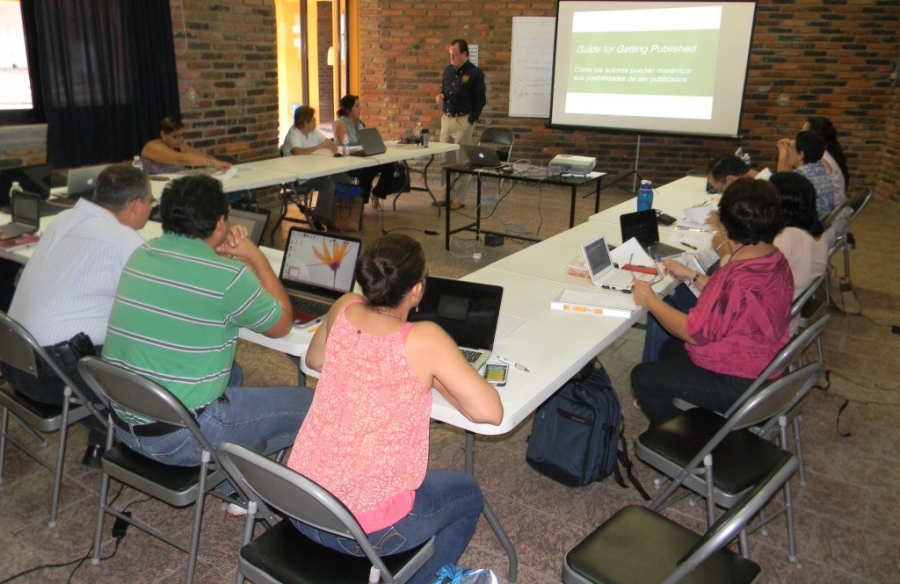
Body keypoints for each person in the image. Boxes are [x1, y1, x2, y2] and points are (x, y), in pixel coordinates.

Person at [287, 234, 503, 584]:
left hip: (301, 506)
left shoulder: (345, 307)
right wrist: (433, 378)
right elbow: (489, 412)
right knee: (467, 494)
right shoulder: (424, 337)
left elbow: (314, 359)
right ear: (416, 290)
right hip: (365, 536)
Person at [102, 175, 313, 500]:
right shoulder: (229, 278)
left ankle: (232, 467)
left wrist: (219, 259)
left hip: (123, 423)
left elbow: (188, 299)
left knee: (236, 373)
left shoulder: (141, 255)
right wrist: (254, 257)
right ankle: (238, 483)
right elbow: (282, 324)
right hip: (181, 439)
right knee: (313, 404)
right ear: (220, 223)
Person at [0, 165, 153, 467]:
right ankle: (140, 443)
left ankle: (100, 440)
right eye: (151, 201)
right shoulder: (123, 241)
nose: (150, 208)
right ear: (136, 205)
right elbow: (160, 301)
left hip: (14, 363)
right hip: (54, 379)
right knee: (150, 344)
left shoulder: (62, 219)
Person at [631, 178, 793, 428]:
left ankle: (677, 438)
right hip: (766, 366)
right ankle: (689, 411)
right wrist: (694, 277)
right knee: (669, 349)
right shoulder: (774, 258)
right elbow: (740, 302)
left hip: (740, 383)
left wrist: (650, 300)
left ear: (727, 225)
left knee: (642, 377)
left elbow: (694, 334)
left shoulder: (735, 275)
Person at [435, 39, 486, 211]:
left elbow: (480, 100)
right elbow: (444, 90)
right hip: (447, 119)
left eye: (455, 56)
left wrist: (471, 120)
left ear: (465, 54)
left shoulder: (475, 73)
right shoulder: (448, 71)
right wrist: (440, 97)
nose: (452, 59)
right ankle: (446, 196)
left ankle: (459, 199)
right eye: (450, 55)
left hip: (463, 120)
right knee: (445, 160)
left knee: (462, 162)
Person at [281, 105, 350, 224]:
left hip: (316, 171)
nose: (315, 121)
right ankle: (321, 219)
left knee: (343, 178)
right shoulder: (293, 134)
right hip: (301, 178)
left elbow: (327, 141)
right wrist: (318, 147)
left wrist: (332, 146)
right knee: (328, 184)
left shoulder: (313, 132)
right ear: (305, 121)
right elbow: (297, 152)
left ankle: (344, 215)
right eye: (313, 119)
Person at [333, 94, 398, 212]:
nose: (360, 108)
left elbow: (365, 141)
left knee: (390, 164)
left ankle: (377, 193)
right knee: (368, 170)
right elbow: (345, 144)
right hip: (348, 160)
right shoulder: (340, 124)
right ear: (348, 109)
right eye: (357, 106)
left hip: (362, 157)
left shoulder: (360, 123)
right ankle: (361, 203)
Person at [140, 115, 232, 175]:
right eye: (175, 136)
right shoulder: (152, 146)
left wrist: (217, 163)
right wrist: (213, 163)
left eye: (182, 135)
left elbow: (202, 156)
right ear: (163, 134)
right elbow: (181, 159)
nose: (180, 139)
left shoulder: (180, 145)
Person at [776, 130, 835, 216]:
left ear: (800, 155)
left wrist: (782, 153)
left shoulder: (802, 175)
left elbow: (779, 189)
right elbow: (788, 177)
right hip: (823, 221)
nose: (788, 152)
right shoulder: (819, 167)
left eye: (791, 149)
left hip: (807, 225)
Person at [803, 116, 849, 205]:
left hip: (828, 214)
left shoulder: (819, 159)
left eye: (803, 135)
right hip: (833, 210)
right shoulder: (829, 152)